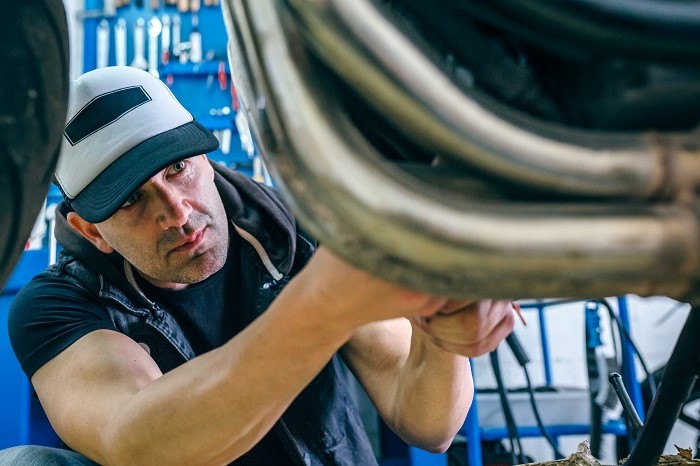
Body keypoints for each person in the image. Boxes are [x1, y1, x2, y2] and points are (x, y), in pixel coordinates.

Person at [3, 66, 515, 465]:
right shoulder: (57, 306)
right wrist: (320, 308)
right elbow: (143, 443)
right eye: (133, 200)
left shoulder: (297, 234)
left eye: (178, 168)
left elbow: (427, 422)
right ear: (92, 231)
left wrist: (443, 326)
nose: (178, 214)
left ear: (204, 157)